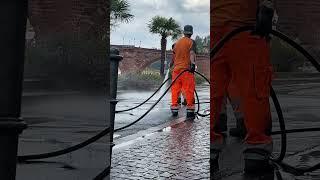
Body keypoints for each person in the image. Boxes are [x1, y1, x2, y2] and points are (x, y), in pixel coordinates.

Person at [210, 0, 275, 174]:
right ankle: (257, 149)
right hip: (241, 23)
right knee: (253, 86)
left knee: (215, 89)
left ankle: (211, 148)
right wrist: (267, 8)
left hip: (221, 24)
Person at [171, 25, 197, 119]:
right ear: (191, 33)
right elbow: (191, 53)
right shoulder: (191, 42)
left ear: (184, 32)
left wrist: (171, 65)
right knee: (189, 89)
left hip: (176, 71)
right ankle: (190, 111)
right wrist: (193, 64)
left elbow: (173, 57)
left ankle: (174, 109)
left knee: (175, 89)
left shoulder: (177, 43)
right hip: (186, 70)